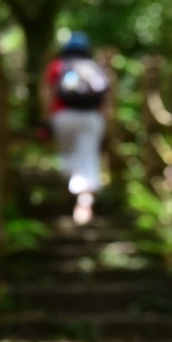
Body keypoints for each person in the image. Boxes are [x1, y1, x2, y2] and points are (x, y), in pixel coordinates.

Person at [39, 31, 109, 225]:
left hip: (63, 117)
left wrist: (46, 121)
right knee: (87, 156)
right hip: (92, 118)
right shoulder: (95, 67)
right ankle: (84, 201)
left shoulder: (56, 66)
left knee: (68, 154)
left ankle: (73, 196)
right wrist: (106, 123)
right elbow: (106, 99)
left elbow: (47, 95)